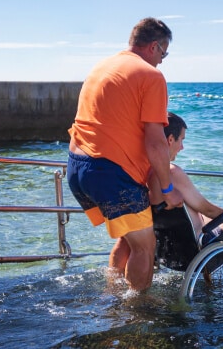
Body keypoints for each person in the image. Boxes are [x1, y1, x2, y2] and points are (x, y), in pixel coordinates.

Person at [66, 17, 183, 292]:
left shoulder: (103, 66)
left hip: (77, 167)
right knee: (145, 246)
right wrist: (167, 188)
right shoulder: (150, 75)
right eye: (163, 54)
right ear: (154, 47)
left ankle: (113, 294)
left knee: (127, 239)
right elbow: (156, 143)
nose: (163, 61)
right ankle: (136, 314)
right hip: (110, 173)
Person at [109, 113, 223, 276]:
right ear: (170, 140)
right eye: (181, 140)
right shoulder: (171, 173)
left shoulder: (143, 175)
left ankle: (113, 284)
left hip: (171, 250)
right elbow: (208, 209)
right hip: (200, 245)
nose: (182, 147)